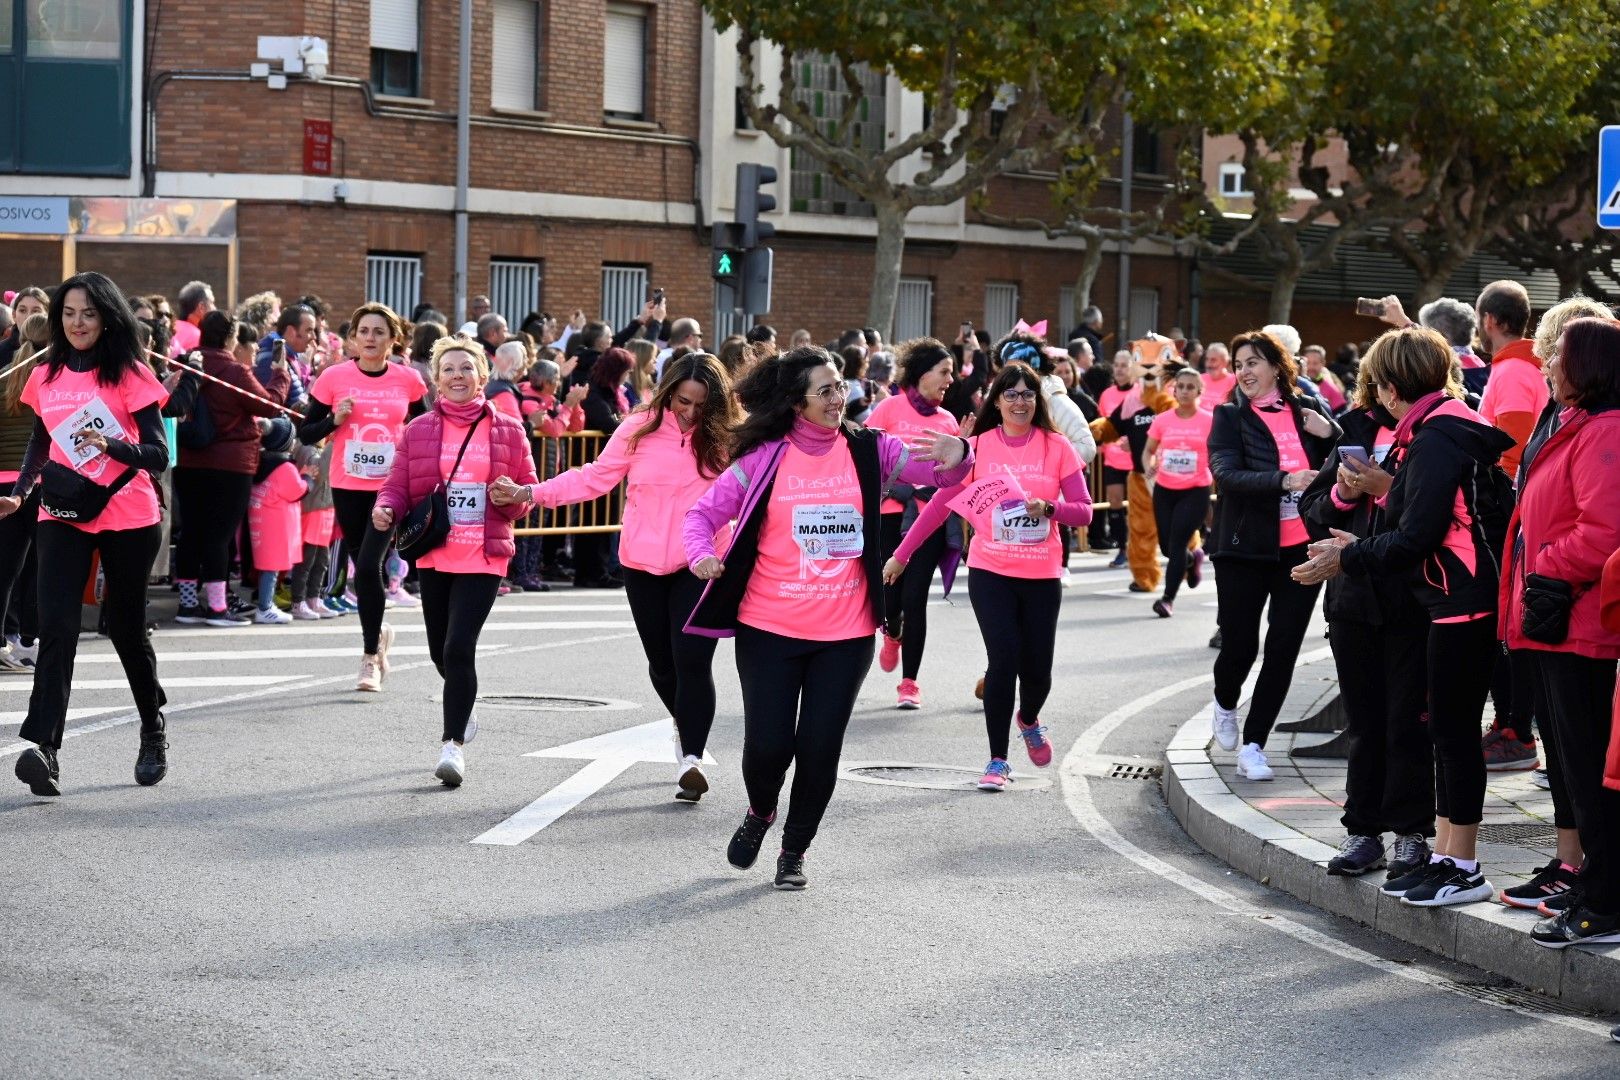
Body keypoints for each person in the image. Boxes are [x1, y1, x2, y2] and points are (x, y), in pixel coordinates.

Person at [682, 347, 972, 889]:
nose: (839, 398)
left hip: (846, 633)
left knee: (819, 749)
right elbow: (703, 514)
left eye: (841, 387)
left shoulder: (871, 449)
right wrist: (701, 554)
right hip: (768, 627)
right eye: (825, 390)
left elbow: (940, 477)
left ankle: (794, 850)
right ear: (796, 402)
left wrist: (961, 453)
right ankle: (760, 811)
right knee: (767, 748)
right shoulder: (763, 459)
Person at [1294, 326, 1512, 908]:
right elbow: (1348, 508)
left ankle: (1453, 860)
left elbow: (1419, 531)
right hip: (1421, 601)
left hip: (1447, 602)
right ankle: (1444, 855)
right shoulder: (1423, 430)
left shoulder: (1439, 435)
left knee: (1444, 734)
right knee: (1434, 731)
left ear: (1390, 386)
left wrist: (1349, 553)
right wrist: (1349, 504)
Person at [527, 353, 740, 801]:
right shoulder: (640, 425)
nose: (690, 412)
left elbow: (751, 494)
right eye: (684, 401)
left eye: (702, 405)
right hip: (641, 562)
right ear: (669, 391)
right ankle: (686, 725)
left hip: (700, 562)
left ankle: (692, 759)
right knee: (661, 665)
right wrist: (535, 493)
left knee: (691, 660)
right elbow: (595, 478)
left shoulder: (729, 436)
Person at [0, 272, 171, 795]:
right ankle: (44, 748)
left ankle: (152, 727)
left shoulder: (131, 374)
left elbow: (158, 455)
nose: (78, 323)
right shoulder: (44, 374)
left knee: (124, 628)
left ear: (107, 317)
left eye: (89, 313)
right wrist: (23, 489)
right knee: (56, 627)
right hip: (61, 512)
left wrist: (110, 446)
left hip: (128, 514)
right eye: (69, 313)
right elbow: (39, 440)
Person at [886, 361, 1091, 790]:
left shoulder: (1057, 447)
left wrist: (1049, 508)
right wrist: (902, 555)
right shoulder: (976, 447)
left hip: (1041, 573)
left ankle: (1030, 717)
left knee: (1038, 671)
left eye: (1028, 394)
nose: (1020, 402)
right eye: (1011, 394)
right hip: (990, 570)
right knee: (1003, 661)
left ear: (1038, 401)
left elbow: (1084, 509)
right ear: (996, 400)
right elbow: (941, 504)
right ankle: (997, 759)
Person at [1492, 318, 1620, 946]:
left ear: (1588, 366)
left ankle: (1605, 901)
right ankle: (1594, 886)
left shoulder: (1605, 432)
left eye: (1559, 357)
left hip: (1581, 625)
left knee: (1589, 769)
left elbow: (1603, 532)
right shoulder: (1579, 424)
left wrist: (1546, 567)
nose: (1547, 366)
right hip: (1554, 620)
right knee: (1572, 768)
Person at [373, 336, 539, 786]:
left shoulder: (508, 428)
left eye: (466, 368)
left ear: (482, 376)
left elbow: (527, 488)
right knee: (438, 650)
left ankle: (452, 747)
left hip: (484, 553)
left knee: (458, 646)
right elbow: (398, 483)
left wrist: (513, 498)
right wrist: (385, 506)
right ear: (435, 378)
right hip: (434, 552)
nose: (457, 376)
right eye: (448, 369)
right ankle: (462, 705)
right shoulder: (419, 429)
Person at [1299, 360, 1432, 880]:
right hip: (1353, 601)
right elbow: (1313, 508)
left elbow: (1432, 517)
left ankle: (1412, 834)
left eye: (1390, 381)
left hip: (1411, 600)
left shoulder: (1436, 431)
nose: (1382, 391)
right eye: (1377, 381)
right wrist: (1343, 493)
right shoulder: (1354, 428)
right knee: (1364, 723)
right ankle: (1364, 832)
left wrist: (1384, 488)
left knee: (1408, 723)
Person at [1208, 329, 1340, 780]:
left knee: (1282, 648)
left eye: (1251, 362)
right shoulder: (1229, 416)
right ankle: (1225, 703)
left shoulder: (1310, 407)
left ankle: (1254, 745)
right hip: (1244, 548)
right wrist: (1285, 480)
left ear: (1275, 366)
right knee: (1240, 646)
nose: (1243, 371)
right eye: (1238, 364)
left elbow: (1346, 461)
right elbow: (1226, 474)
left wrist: (1331, 432)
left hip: (1300, 550)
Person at [299, 302, 428, 691]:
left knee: (370, 562)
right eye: (363, 331)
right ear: (353, 338)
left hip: (390, 486)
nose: (370, 339)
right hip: (347, 483)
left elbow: (425, 429)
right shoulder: (334, 377)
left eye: (378, 332)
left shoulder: (408, 381)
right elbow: (305, 433)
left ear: (393, 340)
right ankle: (378, 633)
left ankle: (370, 658)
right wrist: (333, 421)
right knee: (364, 565)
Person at [171, 311, 291, 625]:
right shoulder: (234, 371)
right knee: (219, 536)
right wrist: (281, 375)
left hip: (188, 458)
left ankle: (187, 605)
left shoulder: (184, 364)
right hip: (230, 464)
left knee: (191, 533)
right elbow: (269, 405)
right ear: (230, 338)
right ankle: (217, 607)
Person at [863, 339, 960, 708]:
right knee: (891, 595)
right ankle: (891, 629)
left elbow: (954, 473)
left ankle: (909, 682)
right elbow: (864, 450)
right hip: (888, 516)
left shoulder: (947, 421)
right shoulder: (889, 408)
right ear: (922, 374)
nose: (950, 380)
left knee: (917, 598)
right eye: (944, 372)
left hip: (928, 519)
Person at [1143, 368, 1214, 617]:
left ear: (1199, 391)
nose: (1184, 391)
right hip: (1164, 488)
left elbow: (1218, 453)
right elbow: (1148, 451)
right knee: (1166, 547)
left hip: (1195, 490)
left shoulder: (1209, 421)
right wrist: (1148, 467)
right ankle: (1191, 559)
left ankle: (1167, 599)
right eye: (1180, 386)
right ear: (1174, 390)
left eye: (1190, 387)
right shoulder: (1162, 420)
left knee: (1176, 542)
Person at [572, 346, 634, 589]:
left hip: (609, 466)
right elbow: (606, 422)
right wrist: (627, 424)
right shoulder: (595, 392)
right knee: (591, 521)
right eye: (626, 371)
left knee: (602, 520)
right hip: (594, 463)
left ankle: (598, 569)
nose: (628, 376)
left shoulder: (612, 393)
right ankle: (590, 572)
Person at [246, 419, 309, 624]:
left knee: (267, 568)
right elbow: (298, 491)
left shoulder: (261, 462)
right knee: (271, 569)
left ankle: (266, 604)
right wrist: (308, 479)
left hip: (260, 523)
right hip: (277, 526)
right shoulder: (285, 468)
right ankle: (265, 607)